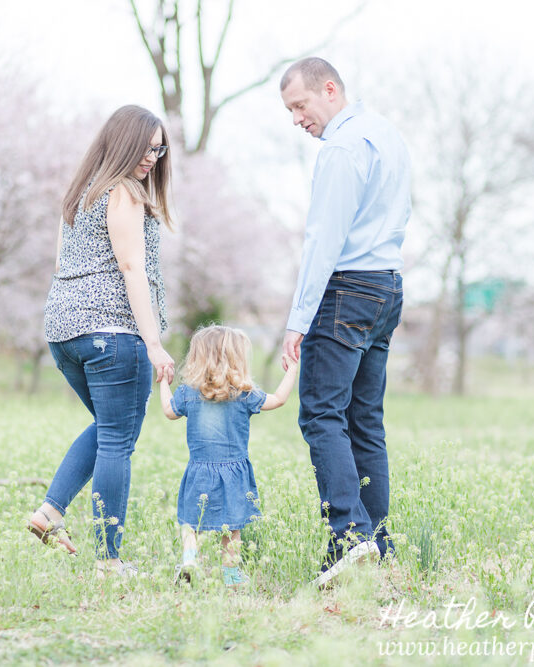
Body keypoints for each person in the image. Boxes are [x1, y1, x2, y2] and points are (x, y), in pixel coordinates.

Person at [28, 105, 176, 578]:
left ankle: (50, 512)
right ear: (123, 142)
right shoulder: (125, 194)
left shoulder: (78, 195)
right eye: (146, 147)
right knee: (117, 438)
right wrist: (153, 343)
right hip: (113, 332)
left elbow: (62, 264)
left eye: (160, 148)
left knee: (112, 430)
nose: (153, 157)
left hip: (64, 333)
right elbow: (132, 268)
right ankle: (109, 561)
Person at [278, 57, 411, 588]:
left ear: (329, 90)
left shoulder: (340, 148)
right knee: (365, 420)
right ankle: (378, 542)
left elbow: (324, 239)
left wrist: (298, 318)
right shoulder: (387, 135)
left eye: (300, 105)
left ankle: (349, 537)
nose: (296, 118)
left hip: (346, 287)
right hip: (387, 285)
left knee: (320, 416)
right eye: (289, 110)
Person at [159, 325, 299, 587]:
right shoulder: (244, 393)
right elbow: (278, 398)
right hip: (234, 473)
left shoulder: (188, 393)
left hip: (199, 470)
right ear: (237, 359)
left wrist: (164, 384)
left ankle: (190, 559)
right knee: (232, 527)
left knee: (191, 522)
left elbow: (169, 411)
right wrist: (292, 370)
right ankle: (231, 574)